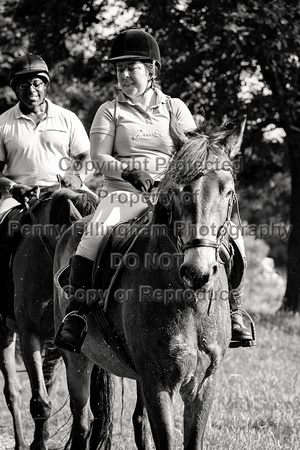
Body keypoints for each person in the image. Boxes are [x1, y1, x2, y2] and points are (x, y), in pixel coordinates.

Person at [54, 28, 253, 353]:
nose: (124, 75)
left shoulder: (174, 107)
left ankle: (234, 309)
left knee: (229, 234)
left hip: (170, 195)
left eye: (131, 67)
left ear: (152, 70)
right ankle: (78, 314)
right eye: (119, 69)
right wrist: (129, 171)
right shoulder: (110, 110)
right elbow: (99, 156)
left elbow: (193, 150)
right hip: (123, 195)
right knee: (93, 236)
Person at [0, 53, 94, 219]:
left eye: (37, 84)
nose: (31, 90)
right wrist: (13, 187)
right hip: (20, 196)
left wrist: (77, 177)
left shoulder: (67, 118)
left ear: (45, 85)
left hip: (64, 191)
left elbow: (87, 156)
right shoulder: (3, 123)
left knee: (100, 220)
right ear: (15, 89)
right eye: (24, 85)